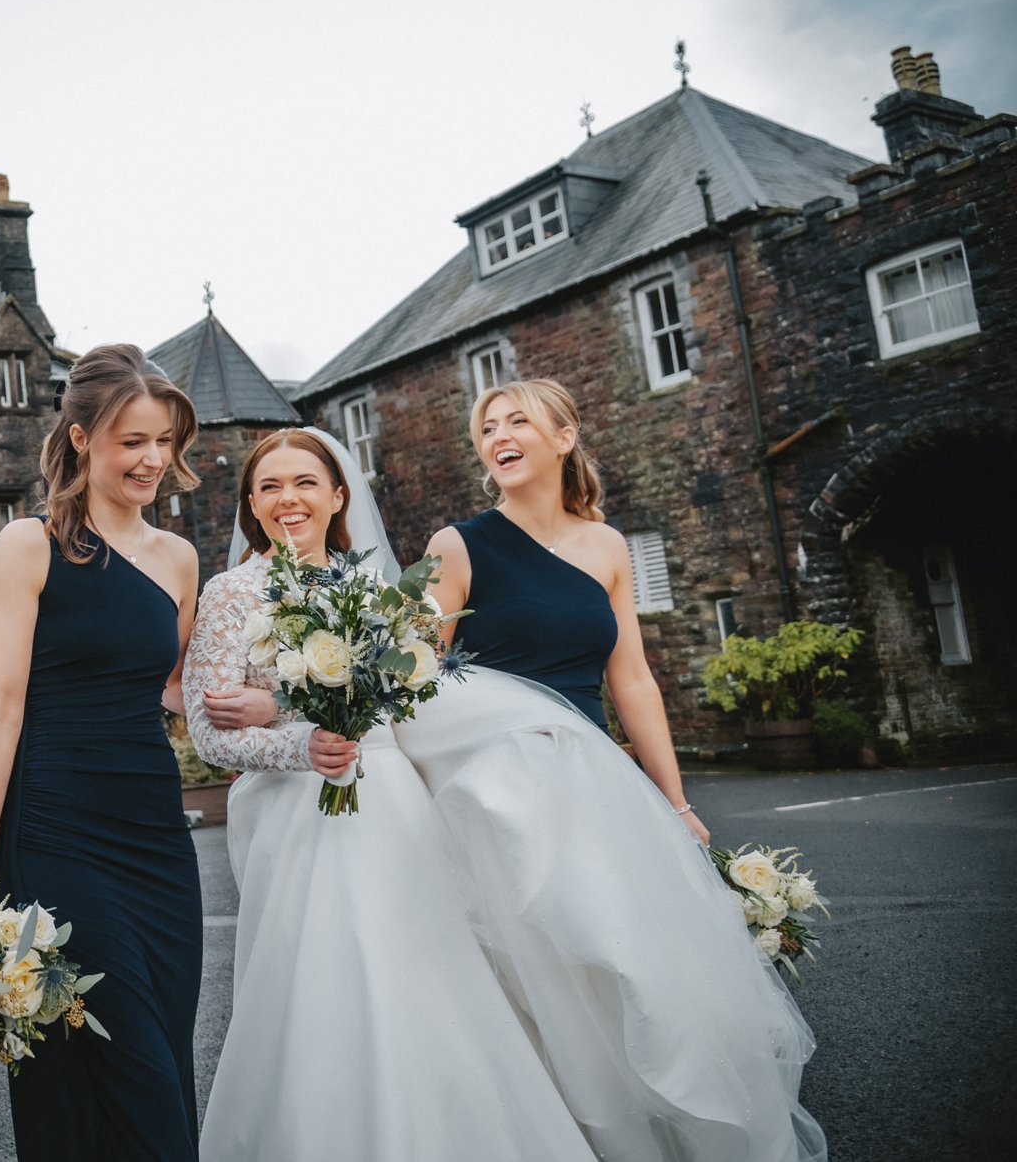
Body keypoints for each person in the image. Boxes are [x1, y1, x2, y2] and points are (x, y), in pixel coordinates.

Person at [398, 378, 827, 1160]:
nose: (498, 433)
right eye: (486, 426)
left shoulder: (607, 546)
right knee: (547, 970)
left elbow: (631, 678)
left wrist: (675, 799)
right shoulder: (456, 546)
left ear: (564, 437)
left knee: (636, 971)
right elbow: (414, 673)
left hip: (596, 781)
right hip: (498, 790)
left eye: (517, 419)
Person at [185, 428, 593, 1162]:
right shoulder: (229, 592)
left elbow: (410, 700)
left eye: (305, 482)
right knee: (315, 985)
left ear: (338, 494)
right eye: (270, 486)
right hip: (290, 815)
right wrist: (297, 740)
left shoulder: (376, 590)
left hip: (391, 804)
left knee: (421, 972)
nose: (289, 499)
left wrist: (281, 707)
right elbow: (210, 734)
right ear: (250, 504)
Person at [0, 343, 205, 1161]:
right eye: (132, 440)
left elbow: (170, 691)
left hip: (156, 836)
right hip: (58, 830)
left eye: (163, 440)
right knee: (118, 1059)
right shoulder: (30, 546)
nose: (153, 459)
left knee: (164, 1044)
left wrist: (286, 707)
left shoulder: (179, 559)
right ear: (79, 438)